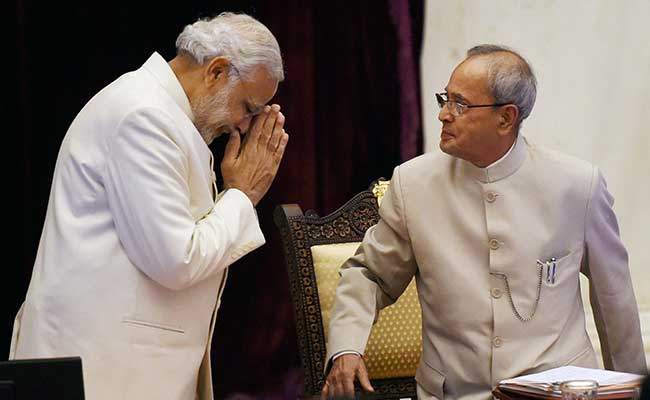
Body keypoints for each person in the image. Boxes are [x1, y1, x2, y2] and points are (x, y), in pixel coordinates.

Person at [322, 44, 647, 400]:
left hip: (555, 391)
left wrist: (633, 389)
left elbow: (613, 295)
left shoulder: (577, 185)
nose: (444, 115)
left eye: (459, 104)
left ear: (506, 118)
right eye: (445, 99)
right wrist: (347, 348)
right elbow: (369, 274)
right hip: (452, 392)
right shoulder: (413, 183)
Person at [10, 12, 288, 400]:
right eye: (248, 107)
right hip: (103, 371)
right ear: (217, 72)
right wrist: (242, 196)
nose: (244, 125)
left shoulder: (162, 113)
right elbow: (176, 259)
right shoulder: (145, 116)